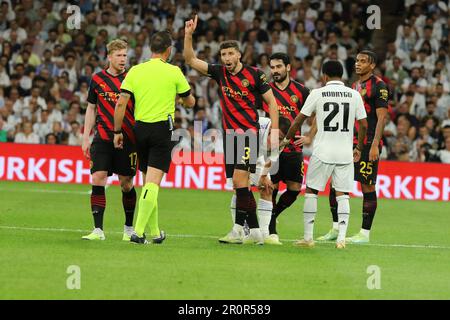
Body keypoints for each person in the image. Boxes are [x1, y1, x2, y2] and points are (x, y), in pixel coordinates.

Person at [184, 15, 279, 245]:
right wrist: (188, 34)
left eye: (230, 54)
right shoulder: (219, 72)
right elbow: (190, 59)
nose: (226, 58)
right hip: (229, 136)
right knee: (239, 185)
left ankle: (255, 231)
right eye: (223, 55)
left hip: (249, 135)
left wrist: (274, 134)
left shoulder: (255, 74)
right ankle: (241, 231)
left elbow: (272, 103)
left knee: (239, 180)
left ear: (238, 55)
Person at [114, 31, 195, 245]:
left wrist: (116, 131)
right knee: (153, 183)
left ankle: (156, 232)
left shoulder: (135, 71)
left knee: (147, 182)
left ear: (151, 48)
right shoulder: (174, 71)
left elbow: (121, 103)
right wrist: (181, 97)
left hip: (138, 129)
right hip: (161, 130)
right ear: (169, 49)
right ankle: (138, 232)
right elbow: (190, 102)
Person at [280, 60, 368, 249]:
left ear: (324, 76)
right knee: (343, 194)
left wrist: (286, 139)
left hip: (322, 152)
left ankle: (308, 238)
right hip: (345, 153)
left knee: (312, 191)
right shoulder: (354, 95)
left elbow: (298, 120)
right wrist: (359, 148)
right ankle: (342, 239)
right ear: (342, 75)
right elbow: (364, 125)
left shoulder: (317, 93)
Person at [316, 50, 389, 244]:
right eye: (356, 61)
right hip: (350, 142)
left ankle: (364, 234)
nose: (357, 64)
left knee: (367, 185)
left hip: (369, 143)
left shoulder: (379, 85)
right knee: (336, 184)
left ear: (372, 65)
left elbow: (382, 117)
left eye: (363, 61)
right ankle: (335, 228)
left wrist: (374, 145)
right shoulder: (355, 85)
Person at [81, 39, 137, 241]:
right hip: (102, 137)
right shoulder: (97, 79)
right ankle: (98, 230)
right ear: (109, 57)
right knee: (97, 178)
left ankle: (129, 229)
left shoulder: (132, 79)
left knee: (126, 184)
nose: (123, 59)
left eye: (125, 55)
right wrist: (85, 138)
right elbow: (90, 108)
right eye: (119, 55)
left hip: (126, 139)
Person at [262, 52, 311, 245]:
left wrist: (310, 136)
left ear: (288, 67)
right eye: (272, 67)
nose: (275, 71)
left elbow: (316, 114)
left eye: (278, 67)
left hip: (292, 149)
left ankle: (272, 215)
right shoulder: (265, 91)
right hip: (271, 148)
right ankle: (271, 230)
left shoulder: (302, 91)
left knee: (294, 188)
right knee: (270, 187)